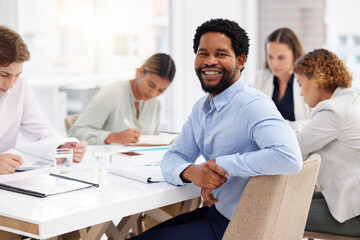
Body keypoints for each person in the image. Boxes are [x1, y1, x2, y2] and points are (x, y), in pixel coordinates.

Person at [129, 18, 302, 240]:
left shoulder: (253, 105)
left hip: (241, 228)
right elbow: (174, 157)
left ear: (240, 61)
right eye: (203, 53)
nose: (210, 61)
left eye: (221, 54)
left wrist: (219, 166)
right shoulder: (200, 109)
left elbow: (289, 157)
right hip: (217, 215)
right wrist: (193, 173)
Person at [0, 25, 88, 174]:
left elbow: (42, 131)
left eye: (17, 75)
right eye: (4, 75)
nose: (11, 84)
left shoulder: (20, 87)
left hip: (8, 180)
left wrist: (62, 147)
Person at [294, 48, 360, 236]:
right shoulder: (347, 102)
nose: (300, 93)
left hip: (355, 213)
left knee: (278, 211)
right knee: (292, 200)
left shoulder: (332, 112)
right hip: (349, 198)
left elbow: (294, 150)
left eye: (300, 84)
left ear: (316, 79)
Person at [68, 53, 176, 145]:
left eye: (161, 90)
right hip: (108, 164)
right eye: (151, 85)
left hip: (141, 165)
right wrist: (112, 137)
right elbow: (75, 133)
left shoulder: (156, 104)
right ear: (141, 71)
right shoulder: (112, 93)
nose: (153, 94)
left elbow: (153, 141)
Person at [251, 28, 310, 121]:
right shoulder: (261, 78)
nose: (275, 63)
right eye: (270, 56)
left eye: (281, 58)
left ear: (294, 54)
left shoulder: (308, 80)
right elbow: (252, 115)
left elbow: (312, 121)